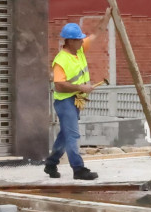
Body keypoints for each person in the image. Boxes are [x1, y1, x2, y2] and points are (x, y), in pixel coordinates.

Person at [44, 19, 107, 180]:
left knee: (65, 135)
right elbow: (59, 85)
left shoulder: (78, 51)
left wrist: (106, 18)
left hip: (74, 101)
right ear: (70, 41)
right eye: (78, 39)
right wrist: (81, 87)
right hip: (65, 102)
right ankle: (78, 169)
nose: (81, 41)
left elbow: (95, 35)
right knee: (73, 135)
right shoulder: (61, 60)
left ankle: (51, 163)